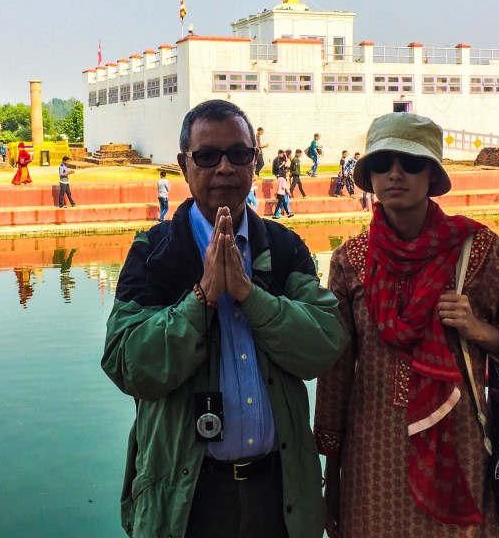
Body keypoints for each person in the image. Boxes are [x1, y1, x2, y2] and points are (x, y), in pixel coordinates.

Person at [102, 99, 349, 538]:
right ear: (183, 164)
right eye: (207, 156)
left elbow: (324, 344)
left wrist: (251, 297)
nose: (224, 168)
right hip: (189, 496)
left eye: (238, 154)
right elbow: (128, 364)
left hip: (279, 492)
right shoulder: (156, 253)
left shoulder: (281, 246)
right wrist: (200, 300)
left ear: (254, 161)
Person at [313, 113, 499, 538]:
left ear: (432, 175)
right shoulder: (350, 259)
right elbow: (337, 370)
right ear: (369, 175)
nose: (395, 174)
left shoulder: (477, 250)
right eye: (383, 163)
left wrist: (479, 330)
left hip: (459, 450)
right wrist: (333, 473)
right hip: (371, 453)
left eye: (410, 163)